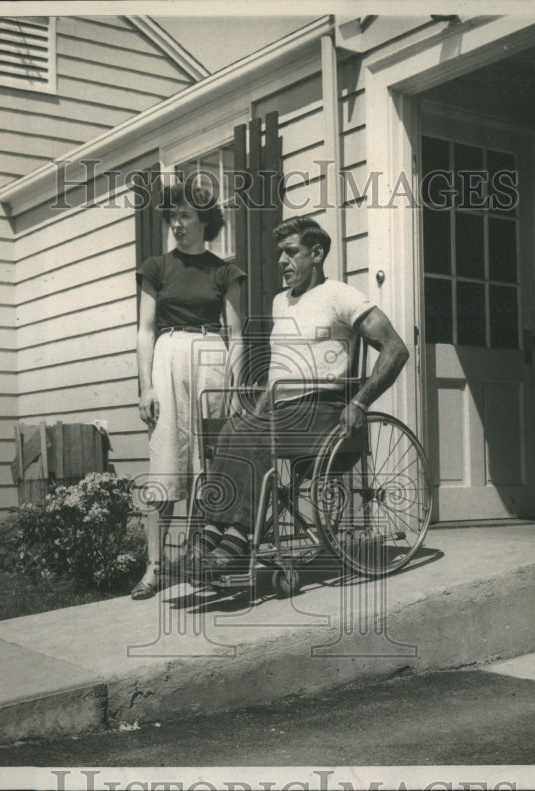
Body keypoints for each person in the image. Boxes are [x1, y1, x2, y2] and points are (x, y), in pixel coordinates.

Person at [191, 217, 410, 579]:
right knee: (234, 428)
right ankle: (212, 533)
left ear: (317, 254)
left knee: (253, 433)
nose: (281, 260)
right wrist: (256, 411)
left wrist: (360, 403)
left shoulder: (341, 295)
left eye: (291, 252)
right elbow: (279, 371)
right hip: (282, 409)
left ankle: (237, 538)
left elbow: (395, 349)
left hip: (325, 410)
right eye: (280, 252)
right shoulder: (281, 302)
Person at [132, 179, 246, 600]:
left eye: (185, 216)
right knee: (165, 461)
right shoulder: (156, 267)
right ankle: (155, 567)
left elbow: (236, 334)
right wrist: (146, 388)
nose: (177, 224)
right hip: (168, 358)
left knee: (207, 464)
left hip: (212, 361)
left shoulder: (224, 271)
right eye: (172, 216)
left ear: (204, 221)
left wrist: (232, 388)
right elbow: (145, 331)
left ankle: (198, 559)